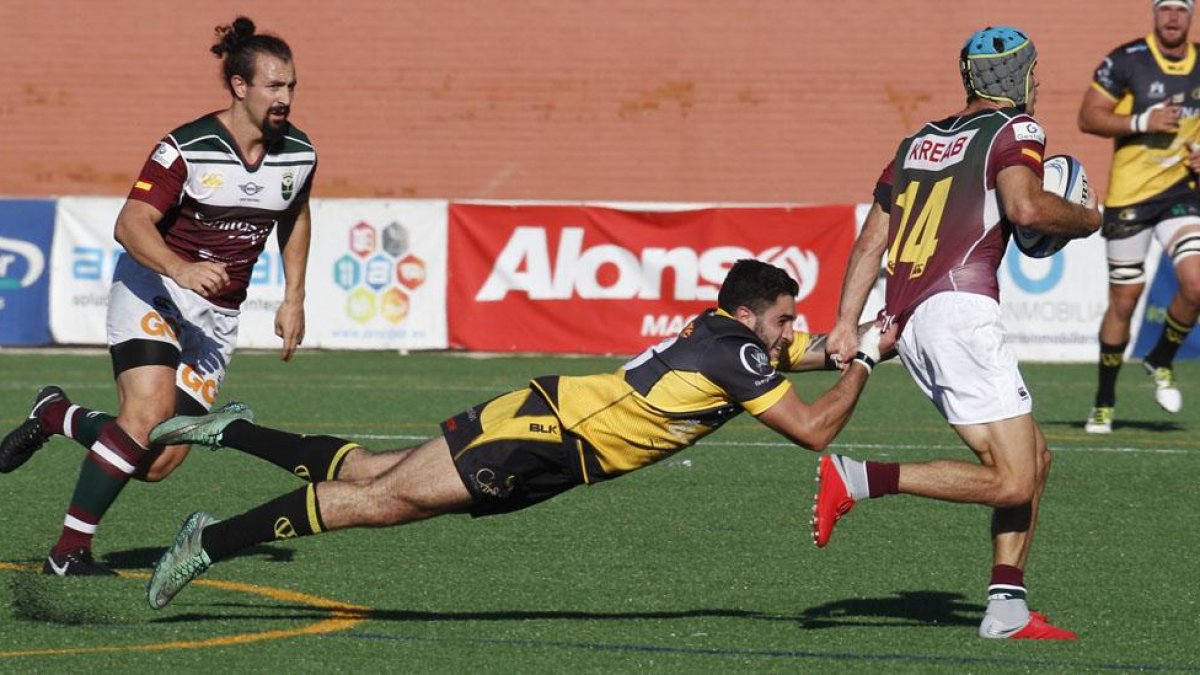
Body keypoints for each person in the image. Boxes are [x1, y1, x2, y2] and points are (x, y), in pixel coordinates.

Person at [144, 259, 889, 609]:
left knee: (373, 470)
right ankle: (209, 541)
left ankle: (235, 430)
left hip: (548, 419)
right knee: (381, 502)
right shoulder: (736, 351)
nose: (795, 329)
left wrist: (855, 338)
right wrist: (868, 363)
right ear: (753, 314)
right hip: (546, 440)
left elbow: (819, 347)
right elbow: (816, 429)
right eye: (786, 317)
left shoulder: (731, 334)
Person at [0, 17, 316, 576]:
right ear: (240, 86)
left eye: (291, 85)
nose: (285, 97)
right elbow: (131, 223)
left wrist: (295, 297)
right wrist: (180, 267)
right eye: (274, 85)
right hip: (154, 291)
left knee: (156, 460)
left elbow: (294, 216)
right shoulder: (186, 146)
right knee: (145, 416)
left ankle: (56, 415)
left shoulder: (298, 154)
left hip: (217, 317)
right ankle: (68, 553)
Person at [823, 27, 1101, 640]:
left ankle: (1006, 606)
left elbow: (874, 239)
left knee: (1035, 457)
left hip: (913, 318)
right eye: (1036, 71)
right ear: (1021, 77)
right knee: (1014, 478)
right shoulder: (1016, 131)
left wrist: (847, 321)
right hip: (959, 313)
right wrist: (1087, 220)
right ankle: (860, 478)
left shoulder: (916, 142)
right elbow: (1027, 209)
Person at [1079, 0, 1200, 434]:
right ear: (1154, 13)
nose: (1172, 17)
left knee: (1196, 282)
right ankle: (1104, 399)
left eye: (1181, 9)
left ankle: (1161, 359)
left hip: (1180, 194)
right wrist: (1143, 119)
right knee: (1125, 301)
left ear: (1191, 15)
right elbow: (1088, 117)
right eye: (1165, 8)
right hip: (1130, 196)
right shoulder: (1126, 59)